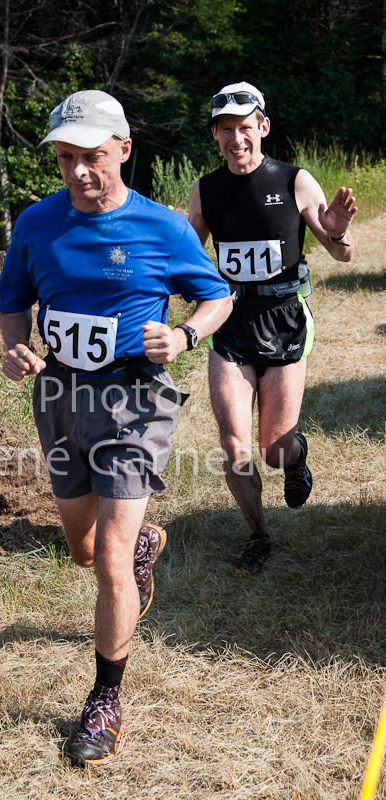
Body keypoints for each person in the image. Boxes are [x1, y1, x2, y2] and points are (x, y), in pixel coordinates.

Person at [0, 89, 232, 766]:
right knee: (82, 548)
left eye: (91, 157)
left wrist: (184, 335)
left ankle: (104, 699)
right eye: (66, 158)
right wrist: (15, 347)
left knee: (105, 559)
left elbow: (216, 294)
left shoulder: (161, 228)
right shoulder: (36, 223)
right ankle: (142, 547)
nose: (77, 172)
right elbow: (13, 299)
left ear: (123, 150)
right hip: (61, 395)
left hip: (135, 396)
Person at [188, 81, 357, 574]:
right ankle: (258, 534)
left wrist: (338, 229)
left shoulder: (294, 180)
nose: (236, 139)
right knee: (235, 446)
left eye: (245, 128)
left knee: (274, 449)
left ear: (262, 127)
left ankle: (297, 461)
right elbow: (185, 254)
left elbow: (342, 254)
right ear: (215, 135)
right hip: (231, 323)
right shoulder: (206, 189)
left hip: (284, 320)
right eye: (225, 130)